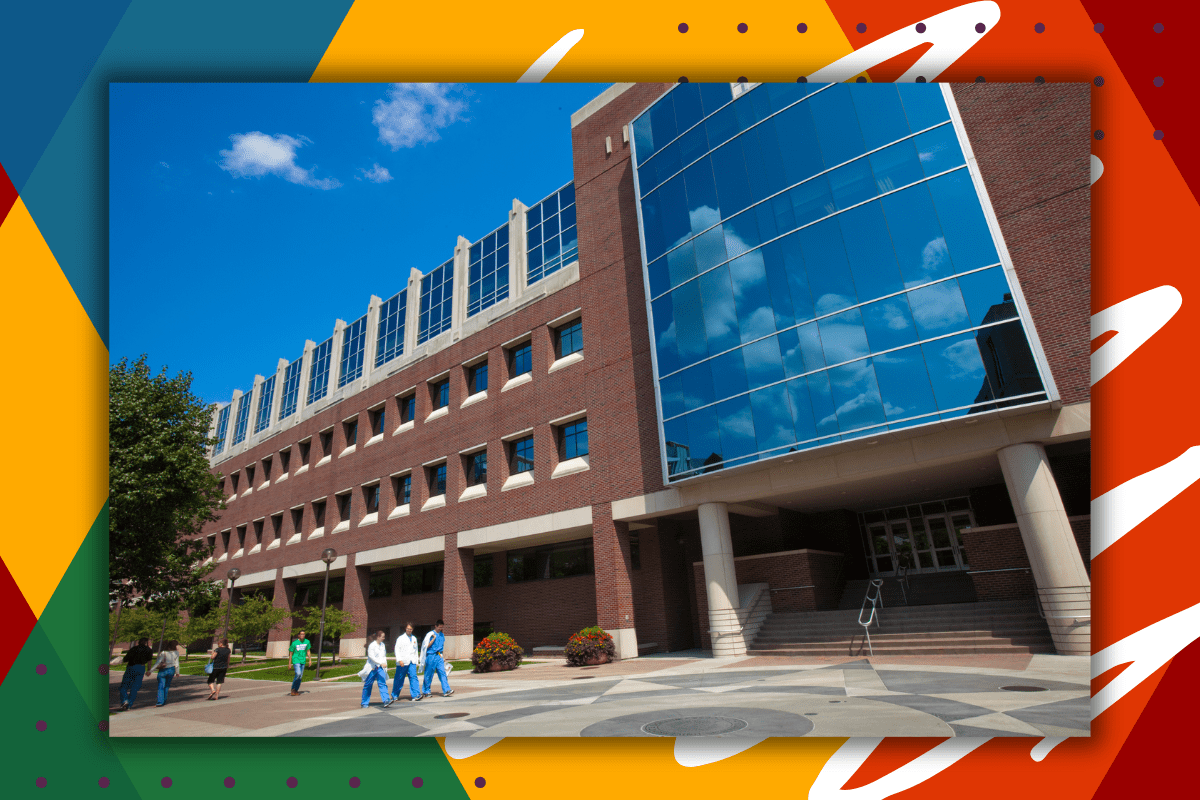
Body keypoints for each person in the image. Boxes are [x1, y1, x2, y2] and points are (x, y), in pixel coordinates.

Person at [419, 619, 453, 698]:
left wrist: (443, 656)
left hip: (439, 655)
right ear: (435, 626)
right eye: (439, 627)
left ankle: (446, 690)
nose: (440, 629)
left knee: (442, 673)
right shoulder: (430, 634)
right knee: (429, 674)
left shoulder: (442, 635)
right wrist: (433, 639)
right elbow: (426, 646)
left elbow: (442, 646)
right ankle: (426, 691)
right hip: (431, 655)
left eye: (441, 627)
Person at [119, 637, 155, 711]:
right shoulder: (148, 650)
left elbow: (126, 658)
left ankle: (124, 700)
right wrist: (149, 670)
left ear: (139, 642)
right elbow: (149, 661)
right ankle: (129, 704)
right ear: (146, 642)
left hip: (131, 667)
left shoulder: (134, 649)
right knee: (135, 687)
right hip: (141, 668)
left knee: (124, 686)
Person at [362, 630, 394, 708]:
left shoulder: (382, 645)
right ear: (378, 637)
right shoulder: (372, 645)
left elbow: (383, 656)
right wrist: (380, 663)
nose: (384, 638)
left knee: (382, 683)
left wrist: (384, 664)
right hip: (372, 668)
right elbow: (371, 656)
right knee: (368, 685)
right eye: (382, 637)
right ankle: (364, 702)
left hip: (380, 668)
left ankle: (386, 700)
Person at [392, 623, 421, 701]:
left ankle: (416, 695)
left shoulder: (414, 638)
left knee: (413, 677)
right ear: (405, 629)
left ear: (412, 629)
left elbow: (415, 650)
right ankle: (395, 695)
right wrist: (399, 660)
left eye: (410, 629)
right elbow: (396, 649)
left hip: (412, 662)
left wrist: (416, 661)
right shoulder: (400, 638)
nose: (409, 630)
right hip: (403, 662)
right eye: (408, 629)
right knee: (399, 679)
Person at [151, 641, 179, 707]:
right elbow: (177, 663)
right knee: (167, 686)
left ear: (168, 647)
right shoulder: (176, 653)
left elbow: (158, 662)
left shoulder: (164, 653)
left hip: (164, 669)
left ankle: (160, 701)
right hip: (171, 670)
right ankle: (164, 700)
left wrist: (151, 670)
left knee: (161, 686)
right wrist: (177, 672)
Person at [288, 630, 312, 696]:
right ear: (298, 635)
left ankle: (296, 690)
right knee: (298, 674)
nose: (302, 635)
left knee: (300, 677)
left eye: (303, 634)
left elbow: (308, 651)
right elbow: (291, 653)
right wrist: (289, 663)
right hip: (296, 660)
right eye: (301, 634)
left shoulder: (307, 642)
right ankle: (293, 688)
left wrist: (310, 660)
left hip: (303, 661)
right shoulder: (294, 643)